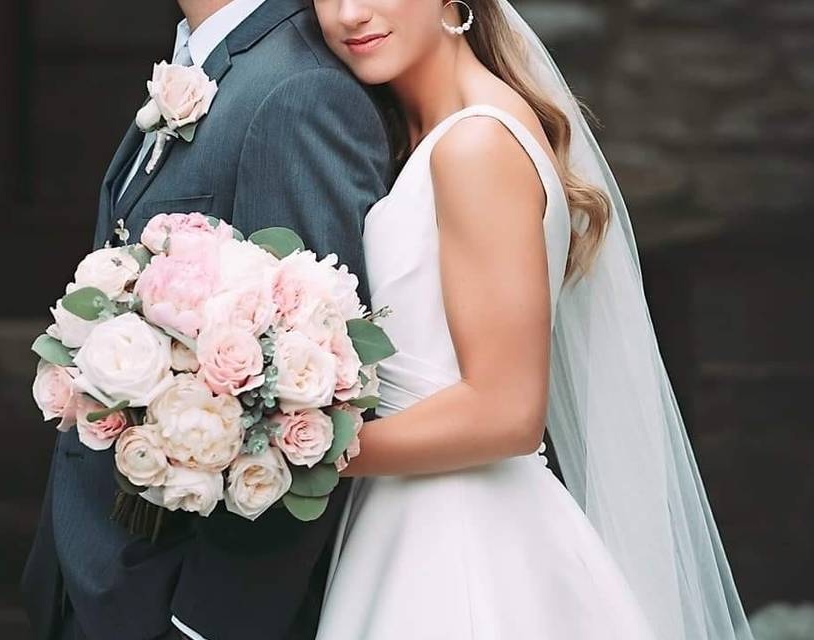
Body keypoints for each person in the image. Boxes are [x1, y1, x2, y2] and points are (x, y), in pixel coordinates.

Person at [310, 0, 756, 638]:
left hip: (461, 541)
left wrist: (292, 453)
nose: (350, 14)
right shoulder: (435, 133)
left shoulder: (475, 143)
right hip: (418, 516)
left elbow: (506, 413)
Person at [20, 1, 392, 638]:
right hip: (91, 570)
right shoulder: (206, 61)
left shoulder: (299, 92)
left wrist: (199, 624)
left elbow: (311, 407)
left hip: (166, 602)